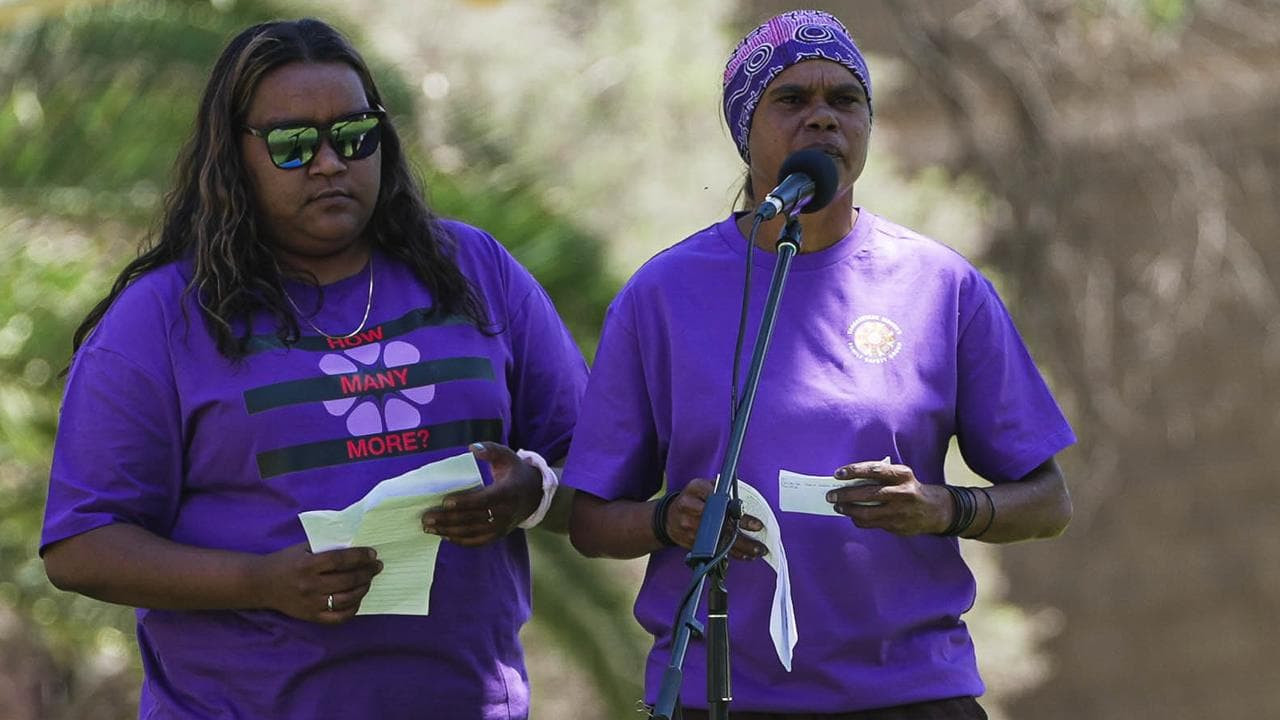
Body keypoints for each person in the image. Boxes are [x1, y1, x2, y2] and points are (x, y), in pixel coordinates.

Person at [39, 18, 586, 720]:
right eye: (294, 145)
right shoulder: (161, 320)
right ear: (234, 156)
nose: (330, 162)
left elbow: (599, 475)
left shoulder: (474, 272)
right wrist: (260, 581)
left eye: (354, 135)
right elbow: (81, 545)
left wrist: (534, 492)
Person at [563, 9, 1074, 720]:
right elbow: (587, 521)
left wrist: (942, 507)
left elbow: (1048, 500)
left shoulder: (940, 287)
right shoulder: (662, 296)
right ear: (747, 131)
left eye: (844, 99)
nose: (823, 119)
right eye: (792, 100)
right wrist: (669, 522)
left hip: (910, 696)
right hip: (723, 697)